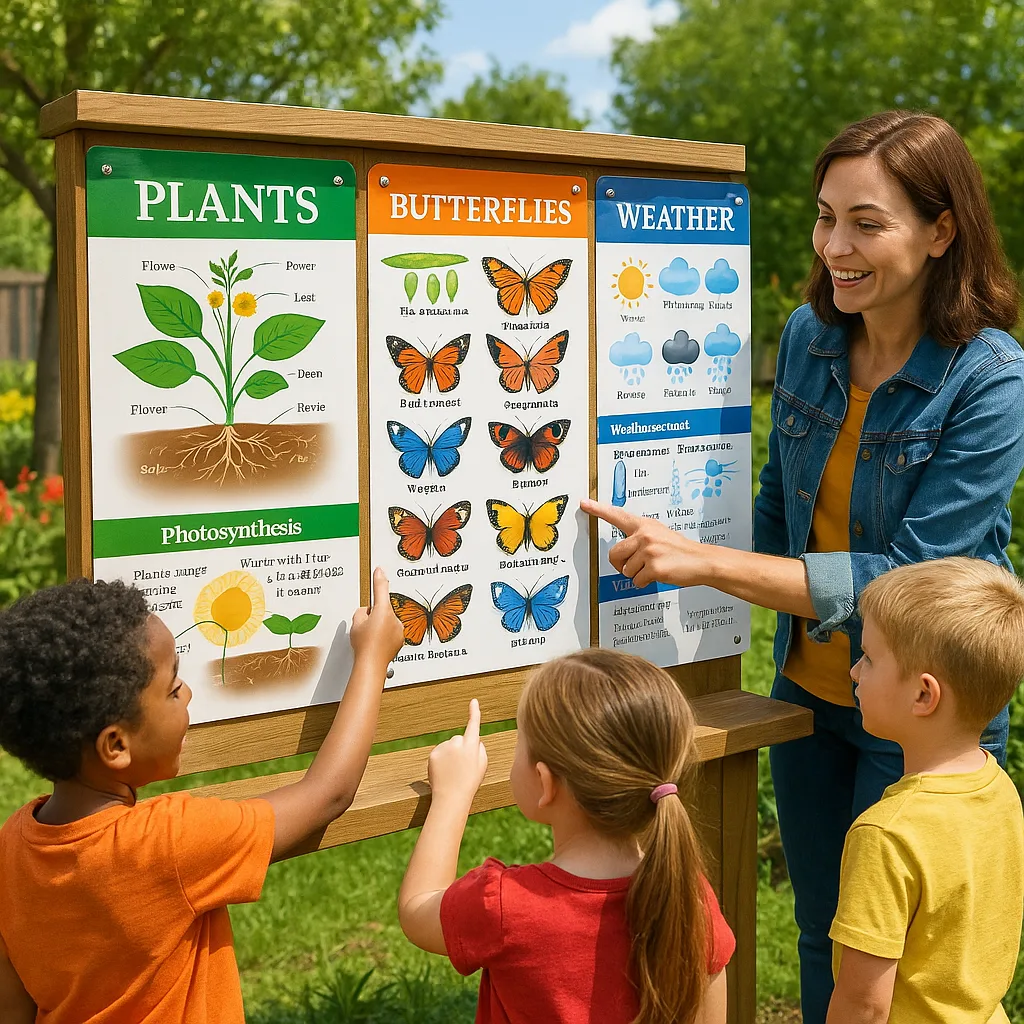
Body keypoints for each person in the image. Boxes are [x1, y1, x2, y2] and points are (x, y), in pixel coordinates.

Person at [583, 109, 1024, 1022]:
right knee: (827, 929)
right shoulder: (808, 341)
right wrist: (674, 536)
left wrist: (701, 562)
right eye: (826, 218)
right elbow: (781, 508)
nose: (835, 247)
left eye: (868, 223)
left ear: (943, 231)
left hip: (929, 708)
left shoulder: (992, 379)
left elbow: (907, 583)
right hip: (814, 689)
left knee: (912, 964)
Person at [0, 568, 404, 1023]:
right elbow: (328, 794)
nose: (188, 691)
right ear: (115, 746)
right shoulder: (167, 842)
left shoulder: (11, 845)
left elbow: (13, 1005)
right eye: (173, 689)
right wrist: (372, 659)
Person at [397, 648, 735, 1024]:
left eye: (519, 743)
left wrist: (452, 795)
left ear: (545, 783)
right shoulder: (688, 898)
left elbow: (417, 910)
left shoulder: (505, 907)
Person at [827, 557, 1024, 1023]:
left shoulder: (885, 835)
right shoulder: (1000, 789)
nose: (855, 671)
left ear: (923, 695)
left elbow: (864, 1005)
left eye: (870, 658)